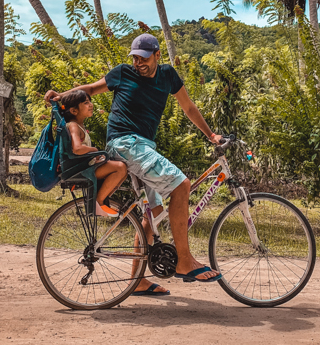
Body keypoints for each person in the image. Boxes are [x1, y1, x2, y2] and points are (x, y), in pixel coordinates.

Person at [45, 33, 223, 296]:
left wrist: (211, 135)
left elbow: (188, 107)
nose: (138, 63)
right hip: (125, 144)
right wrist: (62, 95)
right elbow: (91, 89)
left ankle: (137, 280)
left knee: (155, 212)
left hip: (143, 147)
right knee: (181, 185)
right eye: (135, 58)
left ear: (157, 55)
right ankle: (185, 261)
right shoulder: (123, 74)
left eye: (143, 58)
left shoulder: (168, 76)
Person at [59, 89, 127, 218]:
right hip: (82, 170)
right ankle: (99, 202)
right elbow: (77, 149)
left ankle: (103, 200)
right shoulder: (73, 126)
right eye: (85, 103)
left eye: (90, 101)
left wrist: (93, 157)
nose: (90, 105)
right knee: (120, 168)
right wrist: (94, 150)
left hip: (85, 166)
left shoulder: (80, 126)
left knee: (123, 171)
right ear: (74, 111)